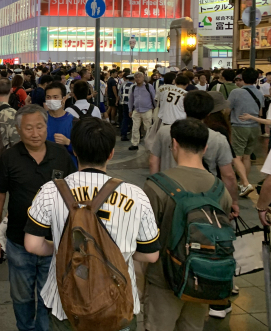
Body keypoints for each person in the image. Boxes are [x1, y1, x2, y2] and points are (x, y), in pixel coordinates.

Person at [24, 118, 160, 331]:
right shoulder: (136, 195)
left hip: (65, 303)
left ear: (75, 151)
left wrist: (59, 247)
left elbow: (32, 245)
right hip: (118, 303)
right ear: (111, 153)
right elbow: (150, 255)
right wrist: (121, 252)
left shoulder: (50, 191)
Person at [0, 105, 76, 331]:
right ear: (18, 129)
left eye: (40, 127)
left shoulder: (60, 155)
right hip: (18, 241)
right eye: (29, 128)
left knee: (48, 299)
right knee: (21, 297)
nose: (36, 133)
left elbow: (72, 198)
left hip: (52, 241)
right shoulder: (9, 157)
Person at [143, 119, 233, 331]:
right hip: (202, 277)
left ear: (174, 144)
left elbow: (145, 239)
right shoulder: (220, 189)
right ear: (205, 148)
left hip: (164, 278)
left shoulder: (156, 186)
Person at [150, 90, 239, 212]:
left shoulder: (165, 132)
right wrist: (233, 201)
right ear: (209, 113)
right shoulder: (218, 138)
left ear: (184, 108)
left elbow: (153, 162)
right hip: (206, 197)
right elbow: (228, 175)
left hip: (169, 191)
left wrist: (156, 185)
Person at [228, 67, 263, 197]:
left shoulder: (236, 92)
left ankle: (245, 183)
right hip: (255, 127)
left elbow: (227, 109)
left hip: (239, 126)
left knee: (236, 156)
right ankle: (244, 184)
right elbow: (260, 112)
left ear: (243, 78)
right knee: (247, 156)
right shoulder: (259, 93)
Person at [44, 82, 77, 167]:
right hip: (45, 169)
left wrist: (68, 142)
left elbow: (82, 151)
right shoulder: (40, 120)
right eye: (48, 97)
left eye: (55, 97)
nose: (51, 100)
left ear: (64, 99)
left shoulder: (74, 122)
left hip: (68, 170)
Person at [128, 71, 156, 151]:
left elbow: (154, 97)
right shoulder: (133, 87)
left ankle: (149, 144)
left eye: (139, 77)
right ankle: (135, 143)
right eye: (136, 77)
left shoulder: (148, 86)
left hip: (147, 110)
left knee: (148, 128)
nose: (138, 79)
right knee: (135, 128)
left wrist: (155, 108)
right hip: (136, 110)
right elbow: (131, 99)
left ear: (143, 78)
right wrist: (130, 109)